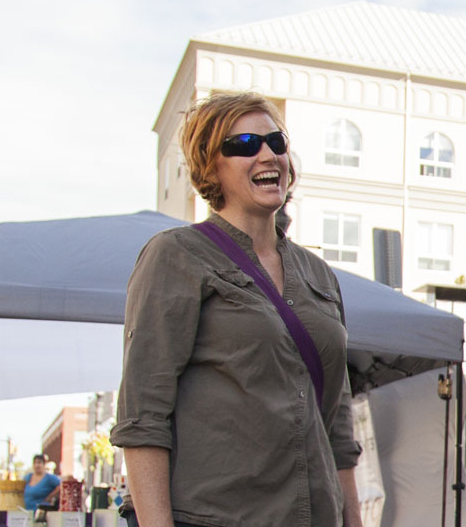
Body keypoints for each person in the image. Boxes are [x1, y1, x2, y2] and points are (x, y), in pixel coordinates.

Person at [111, 92, 361, 527]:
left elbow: (337, 424)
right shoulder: (177, 255)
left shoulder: (320, 274)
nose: (267, 154)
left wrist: (353, 520)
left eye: (276, 142)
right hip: (213, 516)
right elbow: (142, 416)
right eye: (244, 144)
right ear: (212, 166)